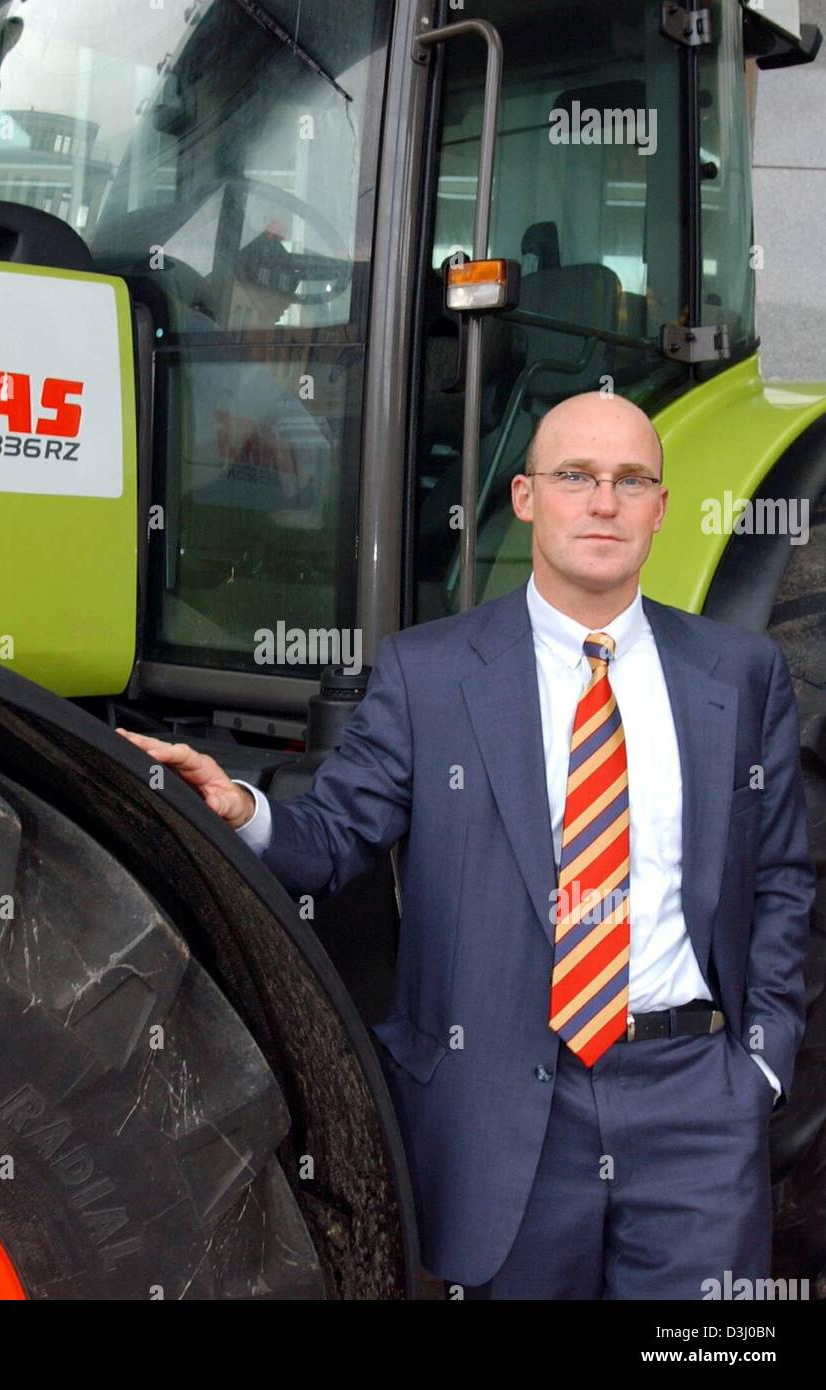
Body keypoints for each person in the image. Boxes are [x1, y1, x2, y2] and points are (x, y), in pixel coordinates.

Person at [116, 390, 815, 1299]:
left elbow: (779, 879)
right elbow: (331, 842)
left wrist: (757, 1065)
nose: (602, 503)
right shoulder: (432, 669)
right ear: (523, 498)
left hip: (693, 1101)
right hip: (500, 1106)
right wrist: (239, 808)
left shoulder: (737, 671)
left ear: (659, 507)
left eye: (629, 480)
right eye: (574, 477)